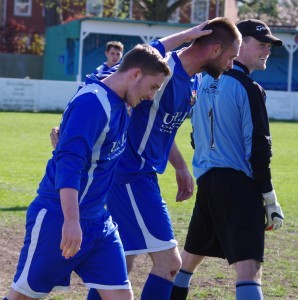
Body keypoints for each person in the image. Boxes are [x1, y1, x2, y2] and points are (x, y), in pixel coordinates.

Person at [51, 17, 241, 300]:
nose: (231, 64)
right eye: (231, 57)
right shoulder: (162, 71)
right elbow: (104, 83)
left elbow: (162, 129)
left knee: (117, 267)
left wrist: (180, 166)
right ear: (215, 49)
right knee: (169, 265)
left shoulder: (194, 81)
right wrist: (68, 131)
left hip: (139, 176)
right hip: (130, 176)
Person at [5, 44, 170, 300]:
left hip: (99, 223)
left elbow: (149, 51)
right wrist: (71, 221)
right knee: (22, 296)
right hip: (59, 218)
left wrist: (189, 36)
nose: (151, 96)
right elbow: (70, 164)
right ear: (135, 74)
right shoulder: (93, 103)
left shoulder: (121, 96)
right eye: (153, 87)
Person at [170, 19, 285, 300]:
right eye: (261, 44)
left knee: (187, 262)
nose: (267, 50)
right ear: (240, 44)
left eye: (269, 46)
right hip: (238, 186)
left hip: (208, 183)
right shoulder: (248, 88)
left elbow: (196, 138)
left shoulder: (199, 82)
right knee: (249, 270)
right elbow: (259, 150)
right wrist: (269, 199)